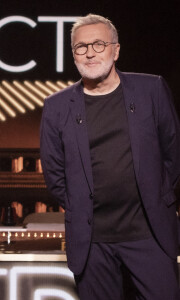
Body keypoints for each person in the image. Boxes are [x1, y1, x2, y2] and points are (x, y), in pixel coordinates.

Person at [40, 14, 180, 299]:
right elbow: (54, 175)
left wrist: (160, 195)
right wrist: (78, 205)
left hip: (149, 234)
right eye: (81, 47)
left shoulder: (151, 89)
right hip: (92, 242)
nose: (89, 52)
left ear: (116, 50)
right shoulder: (56, 107)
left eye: (98, 44)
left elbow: (173, 152)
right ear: (73, 54)